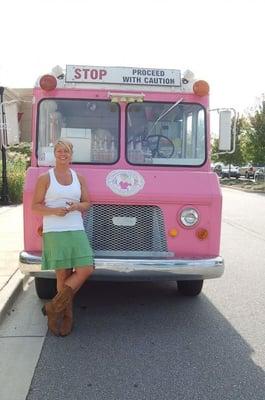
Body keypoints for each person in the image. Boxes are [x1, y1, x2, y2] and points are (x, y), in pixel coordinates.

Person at [32, 138, 94, 336]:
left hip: (76, 228)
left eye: (66, 151)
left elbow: (87, 203)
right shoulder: (45, 178)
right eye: (59, 150)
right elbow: (35, 206)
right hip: (55, 231)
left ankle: (53, 307)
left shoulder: (79, 178)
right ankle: (67, 316)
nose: (62, 154)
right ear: (54, 153)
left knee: (86, 268)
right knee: (62, 275)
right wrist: (54, 211)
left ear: (71, 155)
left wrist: (76, 206)